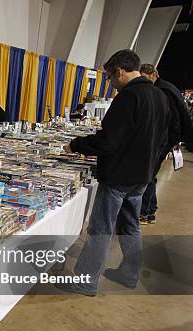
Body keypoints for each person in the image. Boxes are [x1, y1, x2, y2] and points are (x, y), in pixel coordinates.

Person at [56, 49, 170, 296]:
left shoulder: (128, 97)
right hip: (143, 176)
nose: (110, 83)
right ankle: (129, 274)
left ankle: (85, 282)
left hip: (120, 176)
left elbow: (108, 141)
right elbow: (164, 139)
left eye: (109, 77)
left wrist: (75, 145)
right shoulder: (159, 96)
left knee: (101, 229)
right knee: (130, 225)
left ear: (119, 71)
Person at [139, 63, 193, 223]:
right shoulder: (166, 87)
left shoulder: (162, 90)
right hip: (167, 139)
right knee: (151, 175)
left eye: (144, 77)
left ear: (153, 74)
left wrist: (174, 141)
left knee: (148, 175)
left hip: (164, 140)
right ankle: (149, 212)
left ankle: (145, 212)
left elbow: (174, 118)